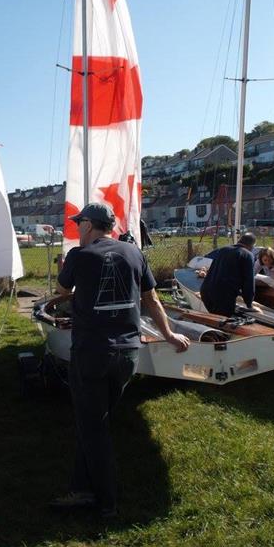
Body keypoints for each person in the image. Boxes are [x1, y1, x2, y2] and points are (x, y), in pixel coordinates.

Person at [50, 203, 190, 517]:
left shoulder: (79, 255)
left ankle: (105, 502)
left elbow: (61, 289)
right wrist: (168, 335)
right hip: (127, 354)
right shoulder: (134, 252)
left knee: (94, 429)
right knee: (95, 424)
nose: (76, 229)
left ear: (88, 225)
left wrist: (74, 282)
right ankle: (81, 487)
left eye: (78, 223)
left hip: (92, 354)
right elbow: (151, 299)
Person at [199, 232, 260, 317]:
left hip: (205, 291)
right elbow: (248, 282)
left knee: (215, 318)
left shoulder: (223, 249)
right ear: (252, 246)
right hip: (223, 296)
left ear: (239, 240)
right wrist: (249, 304)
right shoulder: (248, 255)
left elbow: (209, 263)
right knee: (223, 321)